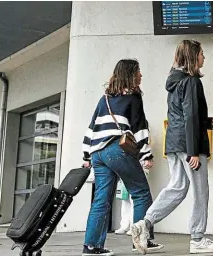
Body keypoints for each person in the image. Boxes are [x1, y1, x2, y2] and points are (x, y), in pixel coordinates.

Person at [131, 40, 213, 255]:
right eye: (201, 53)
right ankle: (198, 239)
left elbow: (183, 114)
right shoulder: (191, 82)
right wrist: (193, 151)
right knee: (201, 191)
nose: (204, 58)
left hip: (174, 141)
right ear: (193, 57)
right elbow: (190, 116)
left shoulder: (174, 81)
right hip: (188, 143)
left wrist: (209, 122)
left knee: (177, 187)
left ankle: (143, 224)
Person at [81, 59, 163, 255]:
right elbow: (139, 128)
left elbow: (91, 128)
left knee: (101, 199)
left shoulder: (105, 99)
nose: (141, 75)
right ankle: (141, 240)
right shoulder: (134, 98)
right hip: (117, 149)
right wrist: (146, 155)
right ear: (130, 75)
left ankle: (91, 246)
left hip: (97, 152)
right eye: (138, 72)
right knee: (141, 193)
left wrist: (86, 155)